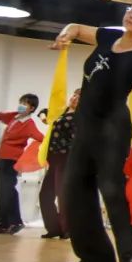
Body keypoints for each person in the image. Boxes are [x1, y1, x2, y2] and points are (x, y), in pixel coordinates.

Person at [51, 0, 132, 262]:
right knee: (73, 192)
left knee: (112, 191)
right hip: (85, 127)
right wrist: (66, 33)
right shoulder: (108, 36)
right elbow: (77, 27)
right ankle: (96, 256)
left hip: (112, 131)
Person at [0, 93, 43, 234]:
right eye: (21, 102)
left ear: (32, 108)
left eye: (25, 104)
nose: (21, 105)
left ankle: (14, 222)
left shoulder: (29, 124)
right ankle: (4, 223)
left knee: (7, 191)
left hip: (12, 160)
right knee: (1, 191)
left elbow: (41, 137)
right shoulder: (15, 117)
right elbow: (1, 115)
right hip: (3, 157)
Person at [40, 88, 80, 240]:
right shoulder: (61, 112)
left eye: (79, 97)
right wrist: (44, 117)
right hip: (53, 158)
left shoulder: (80, 116)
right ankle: (54, 228)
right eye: (74, 95)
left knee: (62, 194)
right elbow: (44, 111)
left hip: (66, 158)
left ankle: (67, 229)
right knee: (45, 194)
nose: (75, 98)